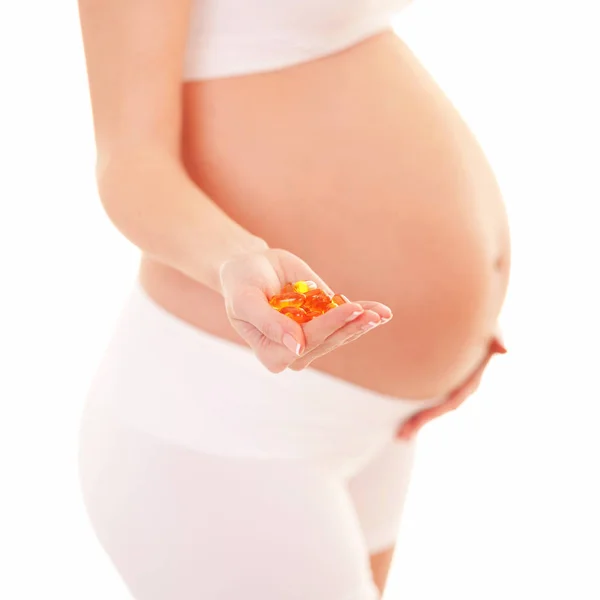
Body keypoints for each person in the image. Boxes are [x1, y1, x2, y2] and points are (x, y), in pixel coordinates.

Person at [76, 0, 510, 598]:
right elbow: (129, 162)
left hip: (378, 425)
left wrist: (456, 325)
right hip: (229, 426)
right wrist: (235, 257)